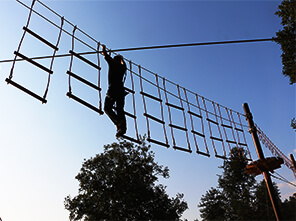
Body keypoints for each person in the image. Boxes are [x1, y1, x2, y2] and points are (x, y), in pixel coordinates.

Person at [101, 44, 127, 137]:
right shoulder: (122, 68)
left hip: (112, 90)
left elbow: (105, 55)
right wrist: (122, 59)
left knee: (107, 108)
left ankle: (117, 122)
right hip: (120, 91)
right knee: (120, 109)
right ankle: (122, 128)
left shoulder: (113, 64)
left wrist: (103, 48)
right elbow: (125, 65)